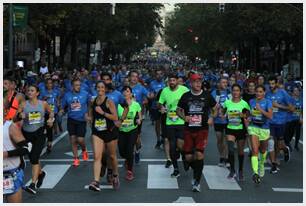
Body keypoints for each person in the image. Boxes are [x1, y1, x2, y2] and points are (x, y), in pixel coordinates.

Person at [176, 73, 217, 192]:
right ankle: (193, 167)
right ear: (191, 83)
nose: (198, 84)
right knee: (189, 157)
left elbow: (215, 108)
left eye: (199, 82)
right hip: (188, 129)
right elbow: (178, 110)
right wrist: (184, 118)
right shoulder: (185, 96)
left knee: (199, 154)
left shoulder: (207, 96)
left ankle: (196, 181)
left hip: (202, 130)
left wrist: (211, 118)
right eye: (195, 82)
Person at [21, 85, 54, 194]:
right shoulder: (23, 104)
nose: (29, 92)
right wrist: (20, 116)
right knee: (32, 159)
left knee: (35, 158)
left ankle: (32, 184)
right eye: (28, 91)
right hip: (27, 134)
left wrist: (50, 119)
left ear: (37, 93)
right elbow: (16, 117)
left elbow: (51, 112)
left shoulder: (43, 104)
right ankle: (41, 174)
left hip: (40, 133)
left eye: (32, 90)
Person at [88, 81, 120, 191]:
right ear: (96, 88)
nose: (100, 89)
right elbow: (90, 112)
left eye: (102, 87)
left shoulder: (109, 102)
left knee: (112, 156)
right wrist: (89, 117)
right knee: (97, 156)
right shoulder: (93, 101)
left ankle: (115, 175)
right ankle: (96, 181)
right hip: (97, 132)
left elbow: (115, 117)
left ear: (105, 89)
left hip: (110, 132)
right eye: (98, 87)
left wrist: (103, 113)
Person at [158, 73, 189, 178]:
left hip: (181, 122)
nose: (172, 82)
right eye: (170, 81)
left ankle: (184, 156)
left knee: (180, 145)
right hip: (169, 122)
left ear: (177, 81)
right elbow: (159, 103)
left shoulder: (184, 90)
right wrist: (161, 107)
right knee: (172, 146)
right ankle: (176, 169)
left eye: (173, 80)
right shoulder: (165, 91)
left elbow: (190, 101)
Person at [3, 93, 29, 202]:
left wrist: (7, 154)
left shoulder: (9, 127)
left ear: (5, 111)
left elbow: (26, 149)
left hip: (9, 174)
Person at [60, 78, 91, 167]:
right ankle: (76, 158)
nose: (78, 87)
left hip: (81, 120)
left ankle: (84, 150)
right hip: (71, 120)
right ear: (72, 86)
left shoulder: (85, 94)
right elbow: (63, 106)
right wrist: (61, 110)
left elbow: (90, 104)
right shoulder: (67, 95)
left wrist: (88, 114)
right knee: (73, 140)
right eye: (76, 85)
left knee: (80, 139)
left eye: (79, 85)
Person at [222, 84, 250, 180]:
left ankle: (241, 170)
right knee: (230, 149)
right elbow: (222, 112)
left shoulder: (244, 103)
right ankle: (232, 170)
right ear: (231, 92)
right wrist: (222, 115)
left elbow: (248, 116)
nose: (235, 92)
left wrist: (244, 116)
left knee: (240, 152)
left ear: (240, 92)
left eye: (237, 90)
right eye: (234, 90)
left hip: (241, 129)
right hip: (230, 128)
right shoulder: (227, 103)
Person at [266, 76, 292, 173]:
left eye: (273, 83)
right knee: (271, 142)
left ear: (277, 83)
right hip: (270, 121)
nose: (271, 86)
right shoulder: (267, 94)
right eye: (270, 84)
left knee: (278, 143)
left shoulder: (283, 93)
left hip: (281, 121)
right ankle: (273, 161)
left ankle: (284, 149)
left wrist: (278, 106)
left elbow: (291, 108)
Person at [247, 85, 273, 184]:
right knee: (255, 150)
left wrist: (260, 109)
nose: (258, 93)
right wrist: (248, 117)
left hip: (264, 129)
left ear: (264, 93)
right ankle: (255, 172)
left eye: (260, 91)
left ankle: (261, 164)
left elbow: (270, 116)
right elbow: (250, 113)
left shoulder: (268, 102)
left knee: (263, 150)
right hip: (253, 127)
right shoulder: (252, 101)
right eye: (257, 91)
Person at [117, 86, 142, 181]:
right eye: (124, 91)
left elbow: (139, 117)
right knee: (122, 152)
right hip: (121, 131)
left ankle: (130, 171)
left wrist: (139, 120)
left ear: (131, 94)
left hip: (132, 130)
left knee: (129, 149)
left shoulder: (136, 105)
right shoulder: (118, 105)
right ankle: (127, 159)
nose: (125, 93)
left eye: (127, 91)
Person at [211, 78, 231, 167]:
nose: (225, 84)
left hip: (228, 120)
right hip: (218, 120)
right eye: (223, 82)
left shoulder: (230, 93)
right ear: (219, 83)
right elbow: (211, 106)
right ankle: (221, 156)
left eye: (226, 82)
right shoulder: (214, 93)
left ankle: (226, 158)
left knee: (226, 140)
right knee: (219, 140)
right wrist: (214, 113)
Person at [39, 78, 61, 153]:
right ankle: (43, 140)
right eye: (47, 83)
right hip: (44, 113)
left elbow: (58, 100)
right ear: (45, 84)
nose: (49, 85)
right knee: (43, 128)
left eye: (51, 83)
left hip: (52, 112)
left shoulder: (56, 91)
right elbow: (39, 101)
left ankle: (49, 143)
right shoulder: (42, 92)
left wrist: (58, 105)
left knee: (49, 128)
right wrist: (44, 98)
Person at [148, 69, 166, 149]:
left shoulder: (165, 83)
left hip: (164, 106)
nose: (159, 75)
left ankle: (164, 137)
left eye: (160, 74)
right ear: (155, 76)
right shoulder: (152, 83)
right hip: (155, 106)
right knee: (157, 124)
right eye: (157, 74)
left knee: (165, 124)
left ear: (163, 75)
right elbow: (150, 96)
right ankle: (158, 139)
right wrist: (155, 95)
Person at [284, 86, 303, 151]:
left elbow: (301, 110)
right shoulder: (290, 99)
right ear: (292, 92)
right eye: (295, 90)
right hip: (290, 119)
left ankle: (296, 145)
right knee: (290, 133)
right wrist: (293, 109)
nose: (297, 92)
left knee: (298, 132)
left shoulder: (301, 100)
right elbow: (288, 109)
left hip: (298, 119)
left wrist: (301, 117)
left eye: (298, 90)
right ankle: (287, 143)